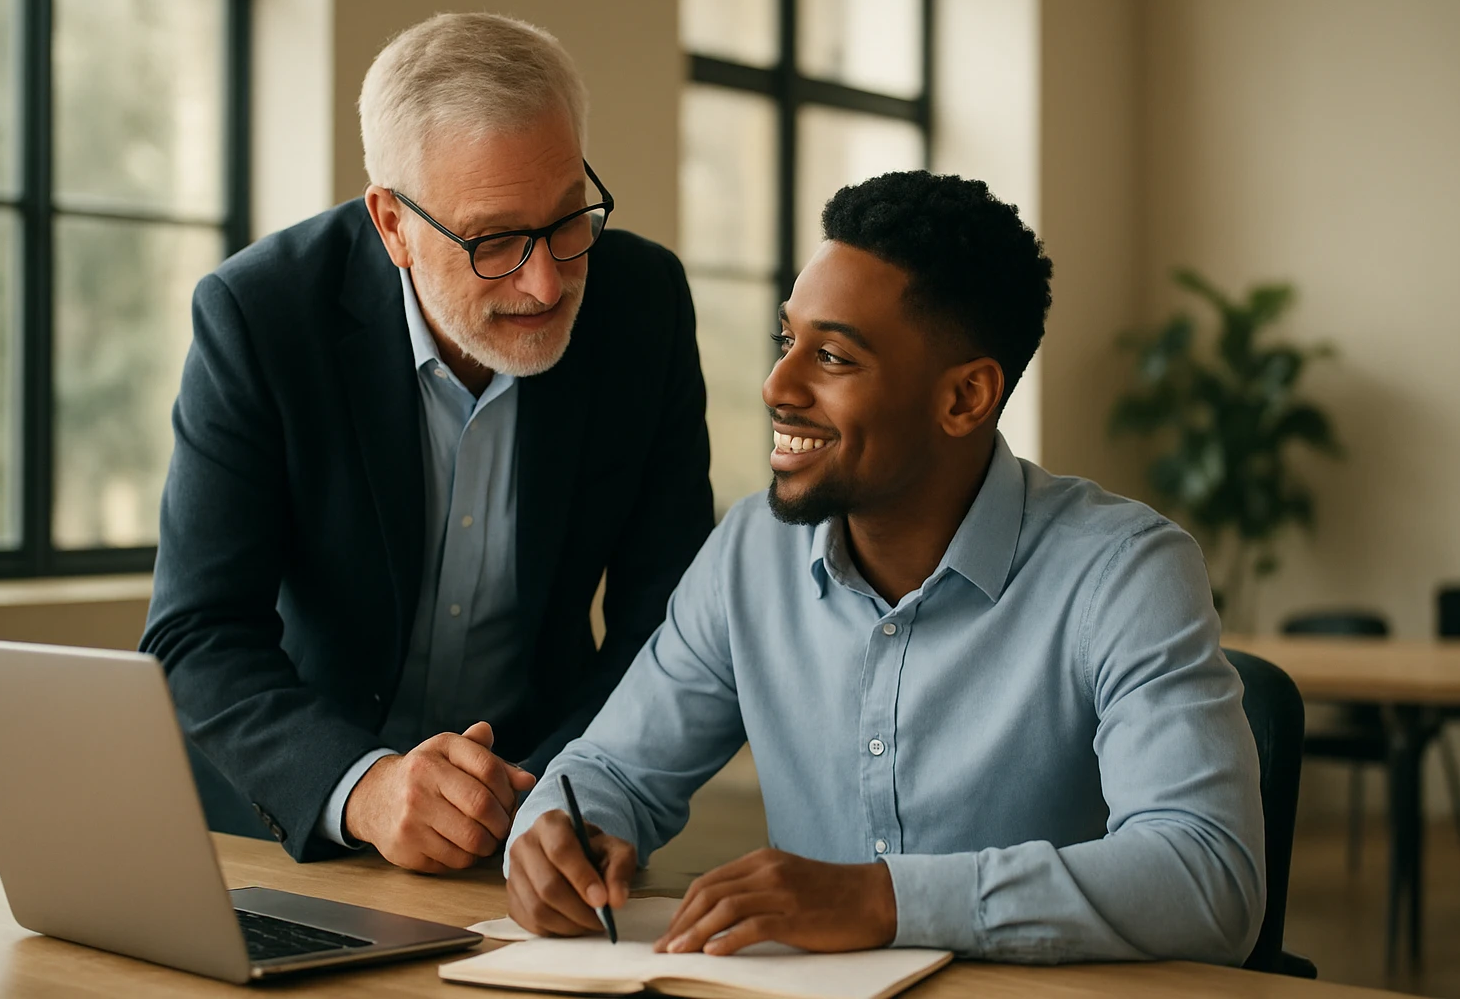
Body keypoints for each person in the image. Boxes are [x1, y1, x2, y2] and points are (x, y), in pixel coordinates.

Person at [503, 171, 1266, 965]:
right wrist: (554, 834)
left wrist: (885, 899)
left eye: (831, 356)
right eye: (785, 340)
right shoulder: (750, 552)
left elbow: (1209, 877)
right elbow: (612, 769)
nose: (776, 385)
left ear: (966, 398)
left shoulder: (1125, 573)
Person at [141, 13, 713, 870]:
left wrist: (576, 788)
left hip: (539, 817)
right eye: (494, 240)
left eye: (567, 220)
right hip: (301, 829)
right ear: (393, 225)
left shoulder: (644, 305)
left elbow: (668, 618)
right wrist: (364, 787)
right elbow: (197, 634)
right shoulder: (261, 317)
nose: (547, 280)